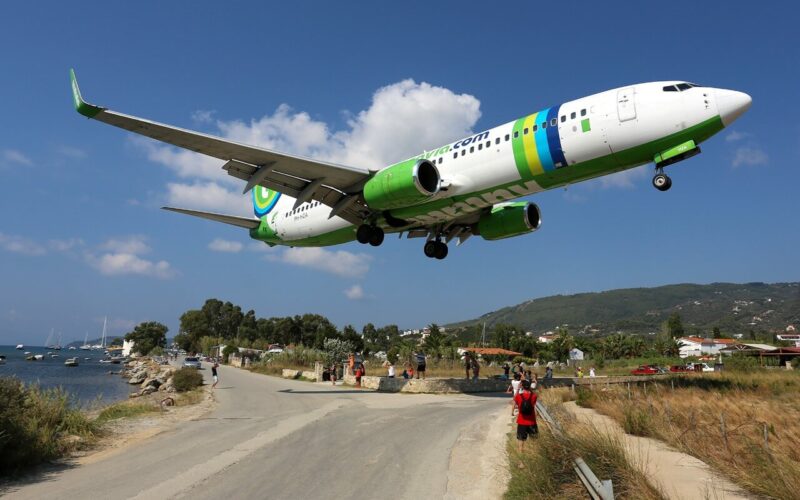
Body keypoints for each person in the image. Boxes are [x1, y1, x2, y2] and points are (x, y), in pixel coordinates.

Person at [511, 379, 538, 463]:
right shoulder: (534, 396)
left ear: (522, 386)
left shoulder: (518, 396)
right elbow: (533, 404)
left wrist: (518, 389)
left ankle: (521, 463)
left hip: (522, 422)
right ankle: (534, 461)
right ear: (529, 386)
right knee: (534, 443)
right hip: (532, 422)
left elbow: (514, 400)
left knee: (521, 444)